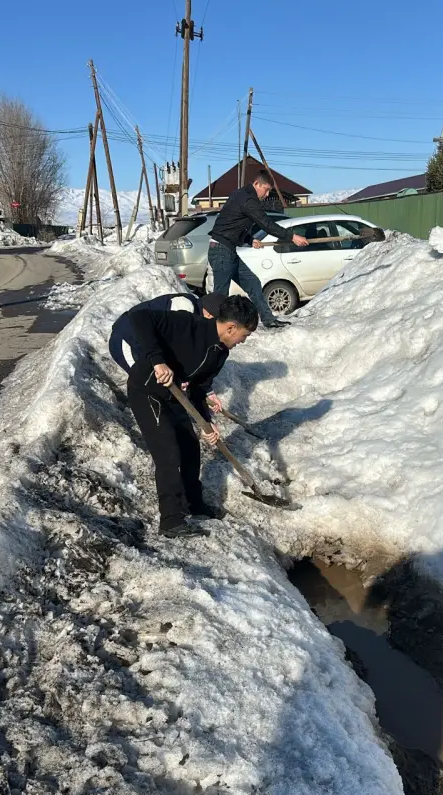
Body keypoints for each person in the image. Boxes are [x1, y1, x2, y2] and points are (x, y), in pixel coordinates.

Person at [127, 295, 259, 539]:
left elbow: (199, 388)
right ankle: (171, 521)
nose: (243, 341)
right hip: (147, 391)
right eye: (245, 335)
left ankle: (193, 503)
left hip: (176, 395)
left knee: (190, 447)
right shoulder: (188, 324)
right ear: (231, 328)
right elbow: (140, 317)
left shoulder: (220, 353)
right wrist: (158, 361)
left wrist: (207, 423)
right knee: (168, 452)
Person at [208, 169, 308, 329]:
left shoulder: (242, 195)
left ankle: (268, 319)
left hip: (227, 249)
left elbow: (233, 222)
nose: (267, 194)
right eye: (266, 189)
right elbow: (266, 223)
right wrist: (292, 236)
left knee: (253, 283)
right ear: (257, 184)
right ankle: (211, 329)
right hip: (221, 250)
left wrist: (250, 239)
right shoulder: (248, 199)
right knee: (220, 295)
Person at [109, 291, 226, 373]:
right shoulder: (184, 306)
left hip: (147, 343)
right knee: (146, 382)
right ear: (209, 315)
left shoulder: (197, 318)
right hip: (127, 339)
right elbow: (173, 345)